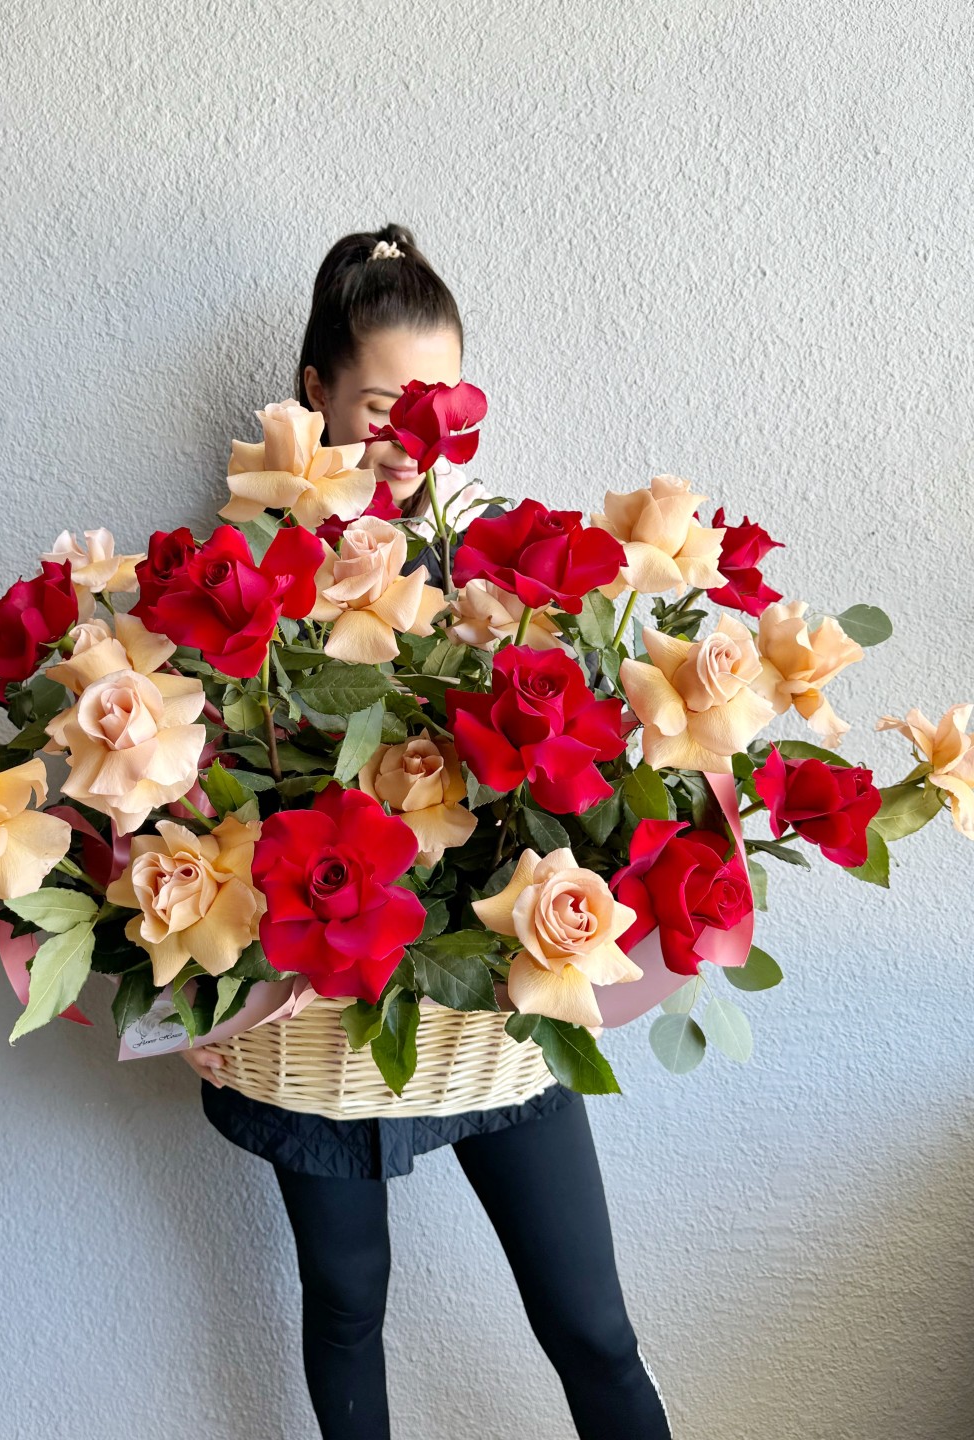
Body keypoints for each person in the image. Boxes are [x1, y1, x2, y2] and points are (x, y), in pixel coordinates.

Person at [182, 224, 674, 1439]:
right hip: (320, 1025)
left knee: (593, 1329)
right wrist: (186, 983)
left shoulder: (500, 573)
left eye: (444, 409)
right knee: (347, 1304)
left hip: (489, 1015)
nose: (417, 442)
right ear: (316, 395)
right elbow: (186, 809)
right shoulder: (242, 579)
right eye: (386, 406)